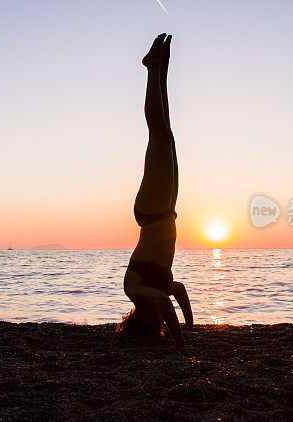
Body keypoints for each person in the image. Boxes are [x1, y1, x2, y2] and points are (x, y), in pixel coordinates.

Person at [118, 34, 193, 348]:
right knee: (168, 133)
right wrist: (190, 325)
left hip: (151, 211)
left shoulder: (136, 293)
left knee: (158, 132)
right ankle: (160, 67)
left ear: (140, 319)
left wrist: (181, 346)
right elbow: (179, 291)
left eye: (154, 326)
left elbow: (165, 304)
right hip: (166, 211)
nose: (160, 321)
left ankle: (151, 68)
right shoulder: (160, 290)